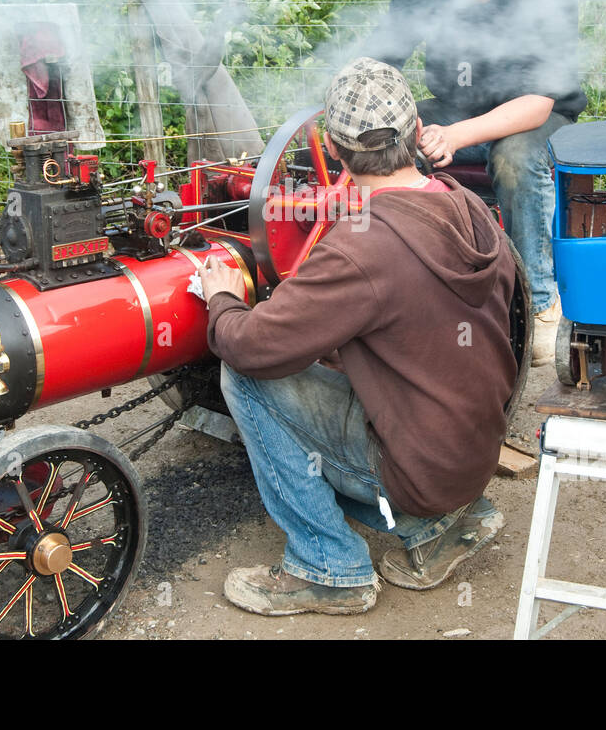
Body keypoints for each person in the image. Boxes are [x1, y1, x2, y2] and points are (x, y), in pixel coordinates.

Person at [197, 57, 517, 616]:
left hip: (416, 470)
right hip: (471, 454)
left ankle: (328, 568)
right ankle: (443, 523)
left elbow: (251, 345)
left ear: (337, 154)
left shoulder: (359, 250)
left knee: (243, 372)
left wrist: (223, 297)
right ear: (418, 133)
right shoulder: (470, 206)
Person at [363, 0, 586, 364]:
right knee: (378, 142)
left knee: (513, 159)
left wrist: (456, 135)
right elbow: (385, 55)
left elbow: (539, 102)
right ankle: (400, 288)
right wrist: (357, 110)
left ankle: (542, 307)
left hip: (535, 118)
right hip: (452, 108)